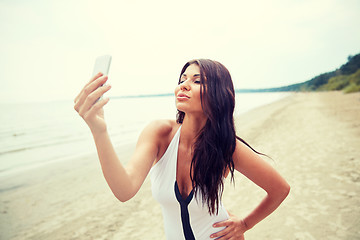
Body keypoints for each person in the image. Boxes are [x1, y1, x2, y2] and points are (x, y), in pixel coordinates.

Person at [74, 59, 290, 239]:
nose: (184, 85)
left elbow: (280, 189)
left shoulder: (228, 148)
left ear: (219, 94)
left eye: (197, 81)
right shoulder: (160, 133)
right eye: (182, 79)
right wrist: (99, 131)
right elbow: (124, 190)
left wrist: (244, 223)